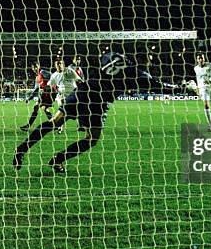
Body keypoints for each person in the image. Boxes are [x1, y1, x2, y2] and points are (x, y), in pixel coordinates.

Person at [13, 52, 177, 173]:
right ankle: (58, 159)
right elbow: (157, 85)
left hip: (82, 92)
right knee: (91, 139)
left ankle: (21, 149)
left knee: (53, 123)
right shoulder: (138, 73)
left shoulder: (113, 56)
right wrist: (180, 87)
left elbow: (101, 60)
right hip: (97, 104)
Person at [48, 58, 83, 134]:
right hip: (62, 95)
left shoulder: (70, 71)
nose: (60, 65)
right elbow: (49, 85)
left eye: (61, 63)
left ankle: (81, 125)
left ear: (63, 64)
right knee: (62, 109)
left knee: (78, 110)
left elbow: (79, 79)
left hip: (72, 94)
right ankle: (60, 127)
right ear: (55, 65)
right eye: (58, 64)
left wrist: (81, 84)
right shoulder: (54, 75)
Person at [20, 62, 54, 132]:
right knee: (43, 108)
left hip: (48, 93)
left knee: (37, 107)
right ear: (32, 69)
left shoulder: (43, 72)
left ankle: (28, 126)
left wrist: (50, 86)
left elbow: (53, 76)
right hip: (43, 94)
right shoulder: (37, 77)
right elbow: (36, 89)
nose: (35, 68)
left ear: (38, 66)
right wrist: (29, 98)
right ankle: (55, 124)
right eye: (33, 67)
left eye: (36, 66)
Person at [194, 53, 211, 131]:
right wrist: (198, 88)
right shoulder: (196, 68)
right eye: (199, 58)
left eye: (202, 58)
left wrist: (210, 80)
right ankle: (210, 125)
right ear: (197, 59)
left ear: (204, 59)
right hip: (204, 88)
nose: (200, 60)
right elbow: (198, 80)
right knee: (206, 105)